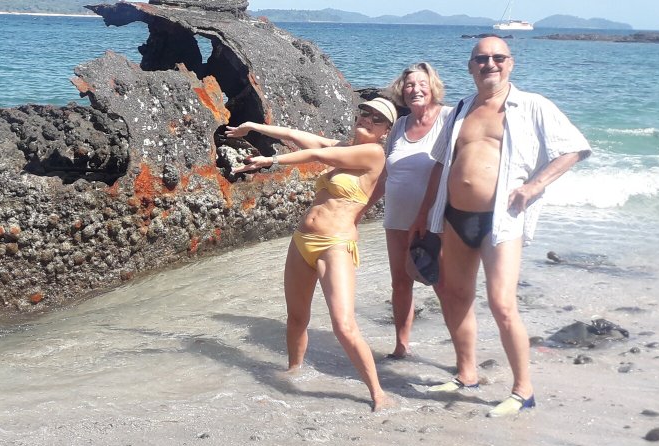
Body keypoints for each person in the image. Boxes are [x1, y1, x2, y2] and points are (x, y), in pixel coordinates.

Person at [411, 36, 591, 417]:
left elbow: (574, 148)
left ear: (510, 63)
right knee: (453, 294)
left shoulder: (531, 105)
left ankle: (523, 390)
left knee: (502, 303)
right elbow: (442, 164)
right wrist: (425, 214)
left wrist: (535, 185)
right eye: (481, 59)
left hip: (500, 221)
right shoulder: (461, 108)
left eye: (497, 58)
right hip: (454, 217)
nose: (489, 64)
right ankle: (466, 374)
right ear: (470, 65)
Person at [226, 97, 399, 412]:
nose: (368, 119)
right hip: (302, 240)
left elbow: (318, 153)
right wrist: (253, 126)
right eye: (365, 112)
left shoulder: (374, 154)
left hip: (335, 244)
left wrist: (272, 162)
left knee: (343, 325)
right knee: (296, 318)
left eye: (378, 118)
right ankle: (294, 372)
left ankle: (378, 394)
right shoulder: (343, 147)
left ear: (386, 131)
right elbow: (294, 135)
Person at [375, 62, 454, 359]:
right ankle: (401, 346)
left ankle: (462, 354)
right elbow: (385, 175)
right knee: (400, 282)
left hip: (433, 220)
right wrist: (358, 210)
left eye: (422, 84)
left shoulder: (448, 118)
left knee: (441, 284)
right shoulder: (399, 125)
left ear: (433, 87)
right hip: (396, 216)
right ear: (401, 90)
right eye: (409, 85)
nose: (415, 90)